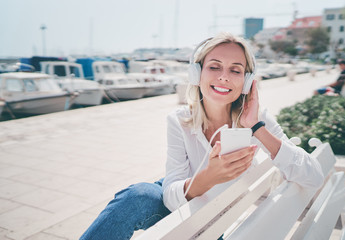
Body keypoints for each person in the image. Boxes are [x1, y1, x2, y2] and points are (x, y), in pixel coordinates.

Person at [80, 32, 324, 240]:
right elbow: (171, 199)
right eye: (214, 66)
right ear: (196, 74)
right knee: (140, 194)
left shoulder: (258, 120)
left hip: (208, 223)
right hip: (182, 202)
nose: (224, 76)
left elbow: (314, 176)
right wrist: (206, 178)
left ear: (247, 81)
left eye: (235, 70)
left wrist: (257, 127)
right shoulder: (179, 120)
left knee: (140, 195)